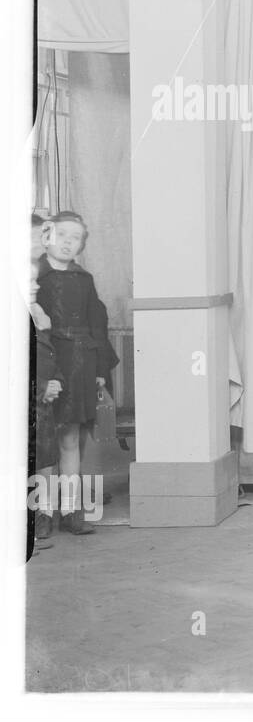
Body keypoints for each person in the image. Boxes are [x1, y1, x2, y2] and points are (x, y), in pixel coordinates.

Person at [35, 211, 119, 534]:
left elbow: (97, 325)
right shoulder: (35, 278)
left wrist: (98, 370)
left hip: (79, 365)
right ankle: (43, 512)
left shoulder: (85, 281)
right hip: (45, 364)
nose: (68, 243)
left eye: (76, 238)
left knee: (70, 438)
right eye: (62, 235)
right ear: (47, 235)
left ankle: (70, 511)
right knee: (45, 441)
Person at [29, 212, 60, 552]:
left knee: (44, 455)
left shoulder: (37, 307)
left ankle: (41, 517)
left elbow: (46, 350)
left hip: (41, 396)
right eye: (39, 236)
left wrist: (52, 381)